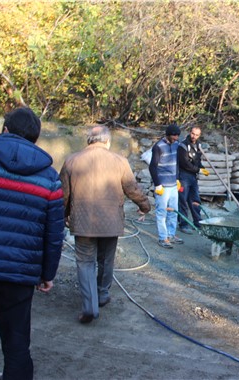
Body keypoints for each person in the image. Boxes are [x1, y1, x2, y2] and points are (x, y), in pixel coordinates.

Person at [0, 107, 64, 380]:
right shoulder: (49, 177)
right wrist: (47, 273)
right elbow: (54, 232)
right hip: (19, 274)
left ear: (4, 129)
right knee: (17, 344)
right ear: (35, 139)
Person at [59, 125, 151, 323]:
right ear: (107, 142)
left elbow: (63, 195)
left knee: (85, 262)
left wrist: (64, 215)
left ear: (88, 141)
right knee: (106, 259)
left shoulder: (72, 161)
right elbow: (132, 188)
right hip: (111, 222)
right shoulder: (119, 161)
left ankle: (89, 306)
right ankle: (102, 295)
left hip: (83, 222)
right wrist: (145, 206)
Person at [149, 124, 185, 248]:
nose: (176, 138)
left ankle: (171, 234)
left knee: (174, 211)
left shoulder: (176, 144)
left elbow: (176, 163)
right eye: (174, 136)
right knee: (161, 212)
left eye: (177, 136)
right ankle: (163, 238)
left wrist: (177, 178)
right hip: (163, 186)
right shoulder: (158, 147)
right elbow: (152, 166)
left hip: (173, 185)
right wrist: (158, 184)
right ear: (168, 135)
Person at [177, 125, 210, 234]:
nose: (194, 136)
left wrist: (202, 168)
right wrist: (198, 170)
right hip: (183, 176)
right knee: (183, 201)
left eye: (196, 135)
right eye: (192, 134)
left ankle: (198, 221)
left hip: (193, 177)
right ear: (189, 132)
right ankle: (183, 224)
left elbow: (197, 160)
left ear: (199, 135)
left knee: (195, 200)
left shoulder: (198, 146)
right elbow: (184, 163)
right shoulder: (183, 146)